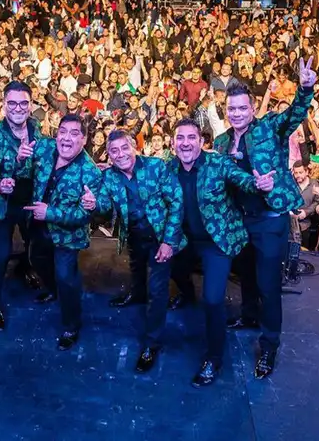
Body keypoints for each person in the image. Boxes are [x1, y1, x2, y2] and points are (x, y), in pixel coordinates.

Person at [215, 58, 316, 379]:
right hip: (240, 220)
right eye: (232, 109)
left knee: (269, 285)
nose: (237, 114)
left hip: (270, 219)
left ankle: (269, 344)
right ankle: (248, 315)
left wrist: (305, 88)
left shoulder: (269, 127)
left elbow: (295, 114)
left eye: (242, 108)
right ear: (225, 110)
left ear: (252, 107)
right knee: (244, 275)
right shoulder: (221, 143)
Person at [170, 118, 275, 387]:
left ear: (201, 142)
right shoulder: (167, 168)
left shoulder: (217, 163)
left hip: (216, 243)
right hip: (185, 239)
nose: (185, 143)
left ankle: (213, 358)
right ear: (173, 143)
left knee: (214, 299)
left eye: (191, 137)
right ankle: (185, 293)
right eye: (180, 138)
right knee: (168, 265)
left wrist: (258, 183)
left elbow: (241, 179)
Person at [79, 130, 185, 373]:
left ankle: (151, 343)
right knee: (136, 268)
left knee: (158, 291)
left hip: (161, 237)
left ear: (134, 147)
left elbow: (177, 202)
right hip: (135, 236)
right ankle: (136, 294)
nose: (120, 155)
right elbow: (105, 208)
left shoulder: (156, 167)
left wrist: (169, 241)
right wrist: (94, 204)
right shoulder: (110, 178)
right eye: (114, 151)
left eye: (124, 148)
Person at [23, 114, 102, 351]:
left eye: (74, 133)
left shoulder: (90, 173)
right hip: (37, 226)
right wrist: (20, 158)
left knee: (66, 277)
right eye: (62, 132)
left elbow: (83, 216)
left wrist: (50, 213)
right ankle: (52, 290)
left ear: (84, 139)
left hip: (67, 237)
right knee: (37, 260)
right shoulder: (45, 147)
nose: (66, 138)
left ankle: (71, 325)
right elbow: (25, 166)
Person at [0, 80, 44, 331]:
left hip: (30, 201)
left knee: (33, 244)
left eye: (24, 103)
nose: (18, 108)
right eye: (12, 103)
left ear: (31, 104)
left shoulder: (36, 126)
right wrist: (0, 183)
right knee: (0, 254)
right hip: (3, 204)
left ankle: (26, 269)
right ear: (3, 105)